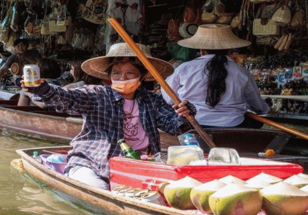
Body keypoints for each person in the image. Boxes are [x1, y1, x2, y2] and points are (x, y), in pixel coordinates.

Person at [22, 43, 194, 190]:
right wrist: (43, 89)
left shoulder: (151, 100)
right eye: (117, 73)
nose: (122, 78)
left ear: (141, 76)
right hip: (93, 165)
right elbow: (68, 98)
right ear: (109, 76)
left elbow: (174, 126)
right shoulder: (97, 94)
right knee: (100, 189)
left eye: (130, 73)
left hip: (138, 165)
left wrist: (186, 114)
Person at [165, 24, 270, 128]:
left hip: (194, 122)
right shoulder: (241, 71)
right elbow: (257, 104)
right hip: (233, 124)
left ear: (201, 51)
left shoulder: (184, 68)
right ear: (229, 50)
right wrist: (264, 109)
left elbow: (168, 98)